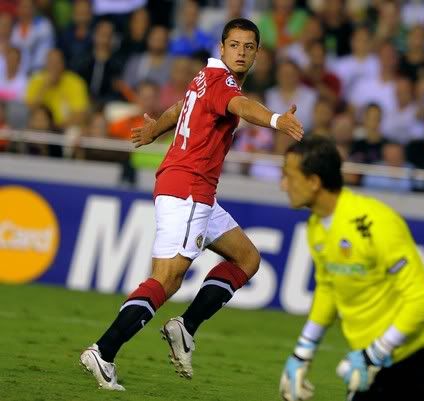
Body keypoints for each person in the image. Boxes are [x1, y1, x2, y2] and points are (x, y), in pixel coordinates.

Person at [79, 18, 304, 391]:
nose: (242, 52)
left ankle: (185, 327)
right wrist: (277, 119)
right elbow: (242, 106)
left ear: (257, 53)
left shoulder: (204, 77)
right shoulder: (223, 84)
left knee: (247, 259)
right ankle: (103, 352)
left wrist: (156, 128)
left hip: (195, 191)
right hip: (188, 190)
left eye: (249, 47)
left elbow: (181, 106)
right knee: (166, 280)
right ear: (222, 47)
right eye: (235, 45)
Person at [278, 136, 424, 401]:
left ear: (314, 181)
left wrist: (376, 353)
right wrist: (303, 351)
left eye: (289, 176)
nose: (282, 185)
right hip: (373, 360)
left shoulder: (375, 222)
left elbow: (421, 299)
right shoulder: (316, 227)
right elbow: (328, 287)